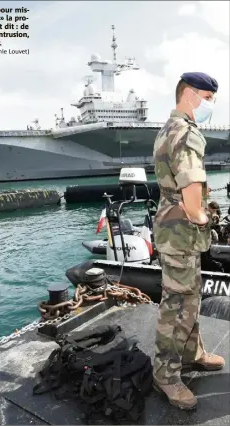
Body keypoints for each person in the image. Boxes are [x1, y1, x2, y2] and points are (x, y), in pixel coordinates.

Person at [152, 72, 225, 410]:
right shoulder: (187, 135)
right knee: (177, 304)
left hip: (172, 229)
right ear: (191, 95)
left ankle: (192, 353)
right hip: (182, 231)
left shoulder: (167, 128)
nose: (210, 105)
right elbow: (193, 202)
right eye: (207, 98)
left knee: (189, 296)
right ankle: (165, 374)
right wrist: (205, 217)